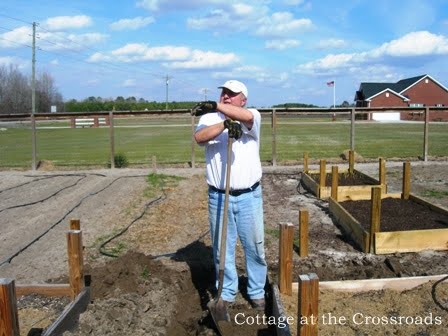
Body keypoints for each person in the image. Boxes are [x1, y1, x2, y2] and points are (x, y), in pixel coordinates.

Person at [192, 80, 267, 311]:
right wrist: (224, 124)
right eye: (223, 93)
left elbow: (247, 119)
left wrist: (219, 108)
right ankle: (226, 292)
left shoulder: (252, 115)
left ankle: (256, 292)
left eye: (231, 94)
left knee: (254, 247)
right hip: (219, 196)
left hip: (249, 196)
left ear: (243, 99)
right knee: (222, 248)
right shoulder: (209, 119)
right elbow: (200, 137)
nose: (225, 96)